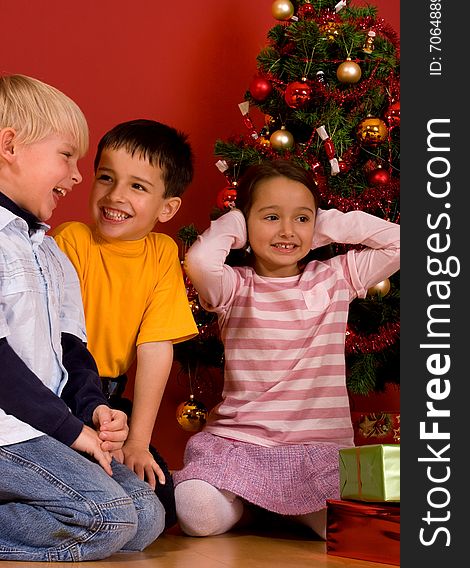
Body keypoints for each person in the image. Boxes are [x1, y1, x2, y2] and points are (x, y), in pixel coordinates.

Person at [173, 158, 400, 539]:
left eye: (301, 218)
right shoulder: (233, 287)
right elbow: (198, 260)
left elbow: (400, 241)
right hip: (240, 445)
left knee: (349, 529)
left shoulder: (335, 277)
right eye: (271, 217)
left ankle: (282, 512)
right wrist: (235, 223)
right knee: (195, 510)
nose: (287, 231)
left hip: (318, 452)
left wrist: (327, 223)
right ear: (246, 224)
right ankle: (248, 508)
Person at [0, 74, 164, 561]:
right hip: (11, 428)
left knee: (146, 519)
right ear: (10, 145)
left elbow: (73, 353)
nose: (76, 175)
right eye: (66, 155)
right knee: (107, 517)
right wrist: (70, 431)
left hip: (45, 427)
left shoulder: (51, 253)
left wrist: (92, 409)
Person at [52, 119, 199, 529]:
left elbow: (154, 347)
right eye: (106, 178)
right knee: (102, 496)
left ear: (167, 207)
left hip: (112, 401)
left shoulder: (161, 253)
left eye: (138, 186)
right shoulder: (71, 240)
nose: (115, 195)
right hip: (63, 389)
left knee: (164, 504)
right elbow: (56, 341)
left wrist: (137, 442)